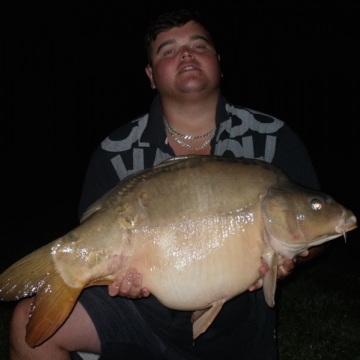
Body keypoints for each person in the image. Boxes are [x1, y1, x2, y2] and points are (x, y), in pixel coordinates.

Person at [10, 9, 326, 360]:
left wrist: (298, 255)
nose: (186, 54)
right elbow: (94, 231)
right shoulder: (114, 152)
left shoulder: (273, 138)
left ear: (219, 62)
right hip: (140, 317)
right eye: (168, 50)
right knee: (28, 328)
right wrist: (116, 278)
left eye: (198, 45)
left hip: (242, 324)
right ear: (150, 75)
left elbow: (312, 224)